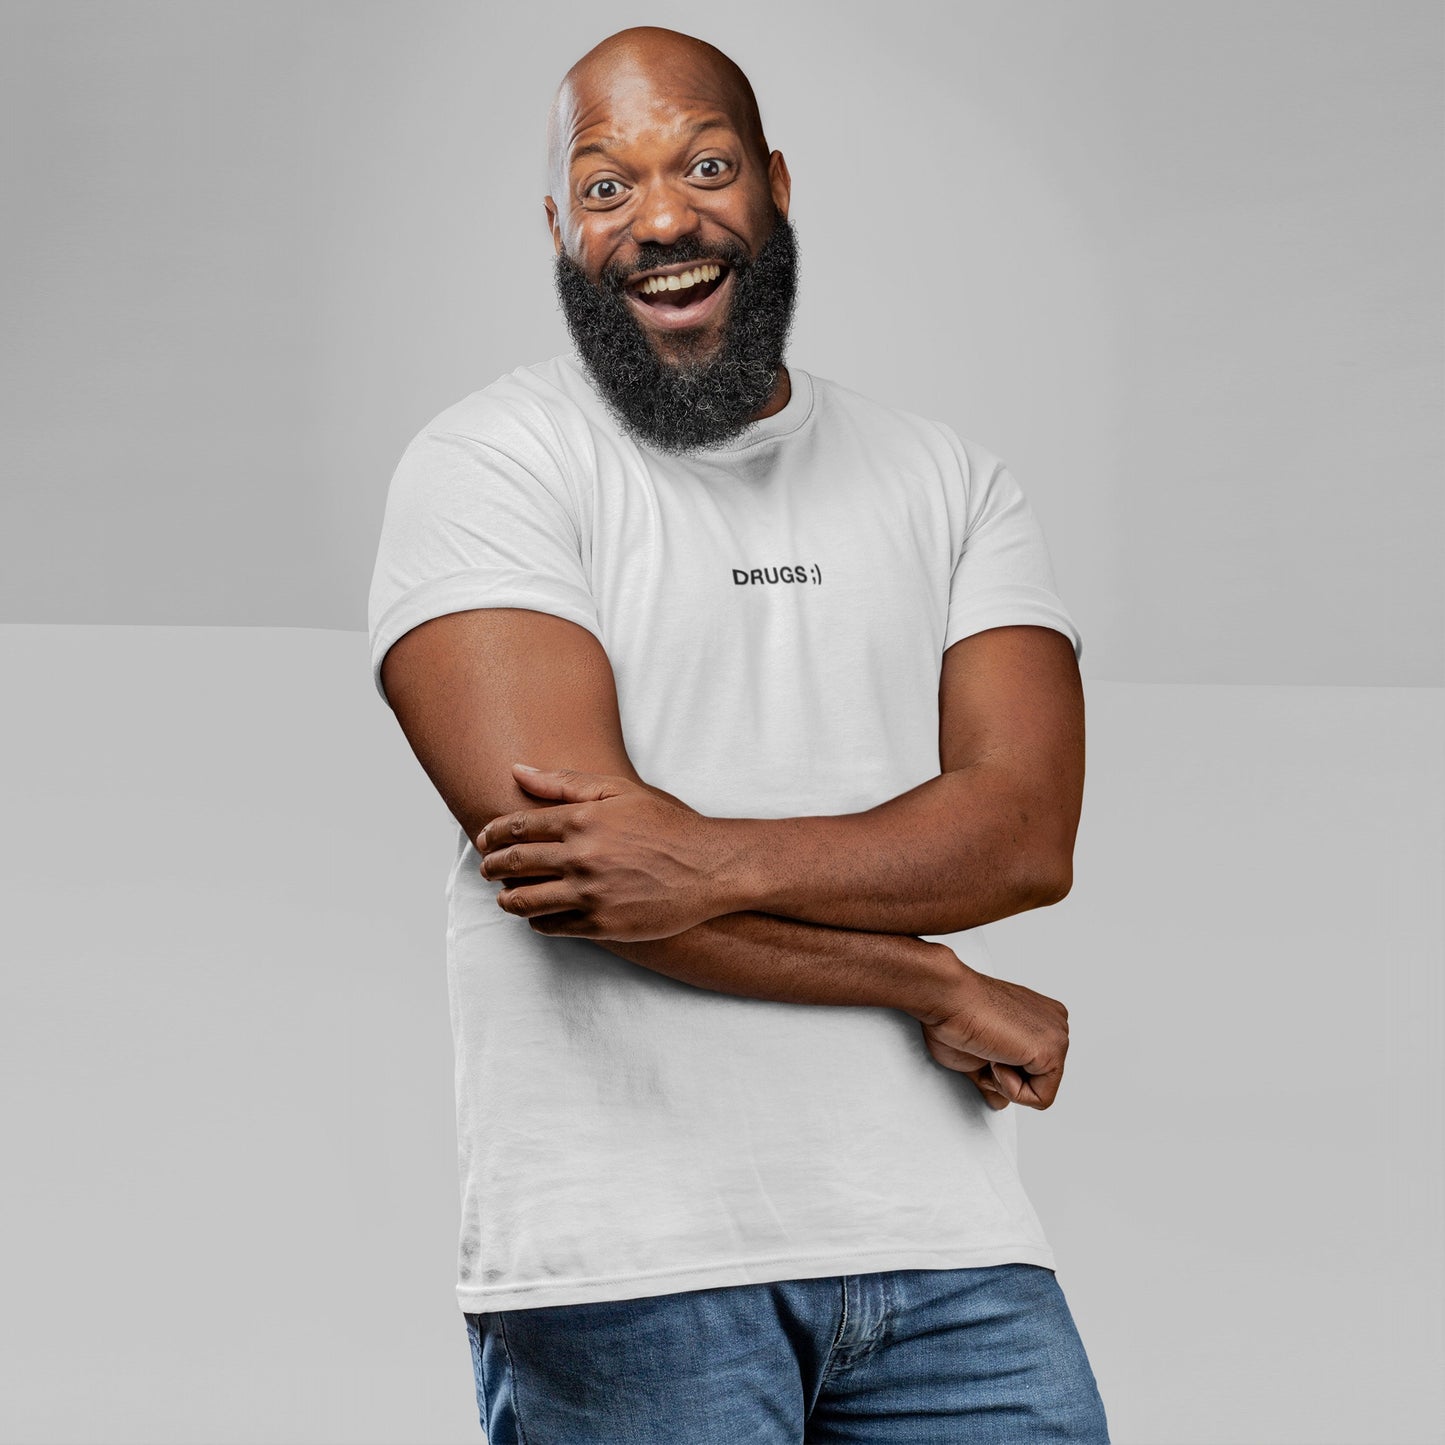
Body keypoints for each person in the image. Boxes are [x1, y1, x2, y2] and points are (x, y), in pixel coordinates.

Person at [367, 24, 1110, 1443]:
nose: (659, 216)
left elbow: (1022, 831)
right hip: (629, 1266)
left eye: (703, 164)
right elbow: (578, 878)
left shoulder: (947, 479)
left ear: (772, 182)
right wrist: (925, 981)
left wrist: (697, 856)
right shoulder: (489, 465)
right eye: (604, 184)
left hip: (950, 1252)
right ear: (557, 226)